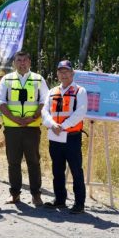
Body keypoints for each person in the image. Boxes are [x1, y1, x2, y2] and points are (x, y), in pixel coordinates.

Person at [0, 50, 49, 206]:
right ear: (14, 63)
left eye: (25, 60)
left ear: (30, 62)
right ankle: (14, 194)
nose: (22, 63)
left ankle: (36, 195)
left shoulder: (38, 79)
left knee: (33, 162)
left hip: (32, 127)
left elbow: (45, 101)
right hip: (12, 128)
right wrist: (15, 119)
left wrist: (33, 117)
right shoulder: (7, 79)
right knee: (13, 162)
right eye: (18, 60)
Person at [41, 60, 87, 214]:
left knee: (76, 170)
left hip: (71, 136)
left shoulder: (80, 91)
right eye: (61, 71)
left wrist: (63, 126)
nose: (64, 74)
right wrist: (52, 124)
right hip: (55, 136)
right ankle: (60, 200)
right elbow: (44, 111)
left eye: (66, 71)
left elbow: (80, 112)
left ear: (72, 73)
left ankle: (79, 203)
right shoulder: (52, 91)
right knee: (57, 170)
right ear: (57, 74)